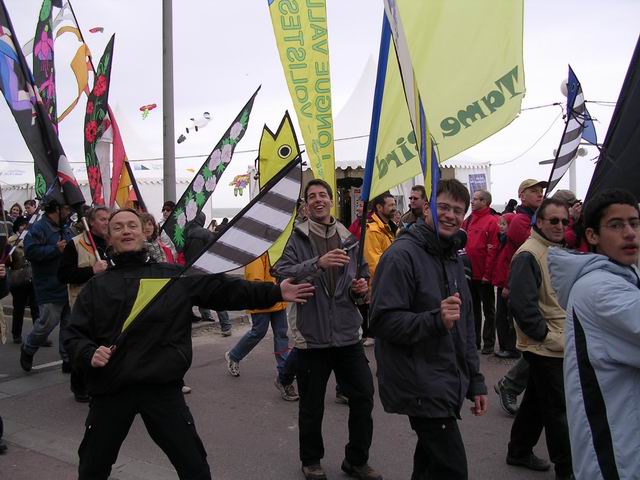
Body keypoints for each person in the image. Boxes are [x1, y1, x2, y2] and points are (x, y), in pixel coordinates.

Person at [63, 208, 314, 480]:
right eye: (118, 227)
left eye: (132, 225)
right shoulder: (95, 288)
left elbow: (226, 290)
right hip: (112, 391)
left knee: (195, 468)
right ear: (109, 238)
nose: (126, 231)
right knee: (92, 469)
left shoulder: (174, 277)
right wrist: (89, 353)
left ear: (144, 231)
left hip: (162, 390)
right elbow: (73, 336)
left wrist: (276, 291)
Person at [369, 179, 488, 480]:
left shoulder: (452, 257)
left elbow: (467, 326)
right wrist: (434, 320)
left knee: (430, 465)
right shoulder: (401, 255)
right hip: (419, 380)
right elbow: (381, 321)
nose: (450, 215)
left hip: (445, 376)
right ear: (427, 208)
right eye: (443, 207)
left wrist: (475, 380)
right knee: (452, 470)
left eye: (457, 210)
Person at [275, 179, 382, 480]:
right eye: (312, 196)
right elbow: (282, 274)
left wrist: (361, 289)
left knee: (363, 397)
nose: (318, 200)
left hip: (348, 335)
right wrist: (318, 263)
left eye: (323, 195)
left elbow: (360, 280)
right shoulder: (295, 238)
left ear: (332, 200)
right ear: (306, 204)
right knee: (311, 406)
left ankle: (357, 460)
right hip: (313, 336)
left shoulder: (350, 238)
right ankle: (311, 460)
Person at [548, 188, 640, 479]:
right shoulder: (600, 289)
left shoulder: (622, 275)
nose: (629, 233)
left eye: (635, 223)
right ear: (592, 235)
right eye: (616, 225)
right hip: (616, 452)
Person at [506, 197, 572, 479]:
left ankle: (518, 450)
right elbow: (522, 305)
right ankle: (566, 468)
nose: (560, 226)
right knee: (559, 410)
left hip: (554, 341)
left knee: (535, 401)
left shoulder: (553, 249)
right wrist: (546, 337)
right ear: (540, 222)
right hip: (546, 346)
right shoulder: (529, 254)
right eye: (553, 220)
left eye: (564, 221)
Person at [494, 178, 547, 416]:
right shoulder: (521, 221)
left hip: (536, 285)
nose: (540, 195)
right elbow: (519, 257)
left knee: (545, 350)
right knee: (541, 345)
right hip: (523, 287)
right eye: (534, 191)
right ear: (522, 195)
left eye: (541, 191)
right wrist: (507, 285)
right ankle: (511, 384)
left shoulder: (533, 219)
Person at [225, 253, 298, 401]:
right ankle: (234, 356)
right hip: (262, 300)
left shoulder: (277, 249)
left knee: (281, 334)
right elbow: (254, 280)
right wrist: (270, 292)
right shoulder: (257, 252)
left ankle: (284, 373)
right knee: (258, 332)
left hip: (278, 299)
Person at [57, 206, 110, 402]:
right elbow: (63, 275)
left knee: (104, 343)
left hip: (108, 302)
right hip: (83, 303)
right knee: (84, 345)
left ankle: (99, 381)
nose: (107, 222)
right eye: (102, 219)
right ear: (91, 222)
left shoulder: (113, 242)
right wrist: (91, 271)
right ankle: (79, 385)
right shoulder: (76, 244)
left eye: (109, 219)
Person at [20, 199, 74, 374]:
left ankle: (67, 359)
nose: (69, 212)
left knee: (69, 324)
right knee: (46, 323)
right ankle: (28, 348)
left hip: (68, 283)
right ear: (56, 209)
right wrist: (54, 250)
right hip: (49, 284)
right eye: (66, 208)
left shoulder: (66, 227)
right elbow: (30, 252)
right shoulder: (38, 228)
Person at [183, 212, 232, 335]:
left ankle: (204, 315)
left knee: (192, 296)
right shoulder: (206, 233)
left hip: (190, 270)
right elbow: (214, 252)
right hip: (206, 270)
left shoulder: (184, 234)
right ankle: (225, 326)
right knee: (217, 296)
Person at [463, 189, 499, 354]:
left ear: (485, 202)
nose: (472, 201)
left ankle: (489, 342)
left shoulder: (492, 222)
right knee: (473, 309)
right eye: (473, 198)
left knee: (489, 310)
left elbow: (493, 250)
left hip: (484, 275)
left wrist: (487, 274)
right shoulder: (468, 220)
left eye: (476, 199)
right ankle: (475, 341)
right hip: (470, 274)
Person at [491, 213, 519, 359]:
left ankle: (511, 348)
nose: (500, 227)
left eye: (504, 224)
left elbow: (512, 265)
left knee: (507, 317)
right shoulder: (502, 240)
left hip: (507, 285)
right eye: (500, 223)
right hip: (502, 283)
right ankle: (505, 346)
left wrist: (508, 285)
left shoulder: (510, 244)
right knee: (501, 317)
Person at [7, 216, 39, 344]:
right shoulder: (11, 242)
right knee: (18, 307)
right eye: (22, 225)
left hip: (33, 277)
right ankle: (16, 334)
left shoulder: (34, 239)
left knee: (36, 308)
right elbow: (9, 260)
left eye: (26, 224)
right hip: (18, 278)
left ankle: (38, 336)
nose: (24, 226)